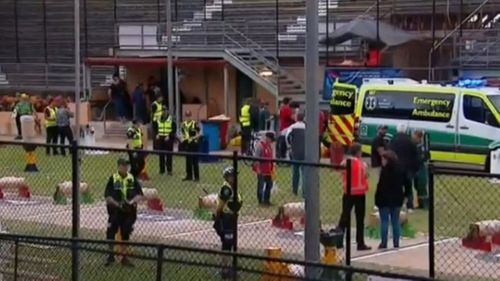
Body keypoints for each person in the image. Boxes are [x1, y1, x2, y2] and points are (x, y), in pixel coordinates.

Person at [104, 158, 144, 267]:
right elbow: (107, 196)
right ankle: (110, 255)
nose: (126, 168)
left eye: (127, 166)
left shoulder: (131, 178)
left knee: (125, 232)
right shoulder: (113, 178)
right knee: (111, 232)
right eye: (123, 165)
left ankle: (124, 257)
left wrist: (131, 202)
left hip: (128, 212)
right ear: (119, 166)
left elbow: (140, 195)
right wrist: (118, 204)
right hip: (116, 211)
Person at [337, 143, 371, 251]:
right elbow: (366, 175)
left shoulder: (345, 162)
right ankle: (360, 242)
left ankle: (338, 240)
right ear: (358, 152)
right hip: (360, 193)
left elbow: (341, 172)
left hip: (348, 193)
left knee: (345, 217)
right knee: (360, 219)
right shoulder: (362, 164)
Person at [213, 166, 242, 279]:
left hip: (231, 218)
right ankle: (225, 270)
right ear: (228, 177)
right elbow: (220, 206)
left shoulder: (231, 187)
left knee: (230, 244)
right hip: (226, 219)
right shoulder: (227, 189)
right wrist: (217, 217)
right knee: (227, 244)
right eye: (233, 176)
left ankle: (228, 267)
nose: (235, 178)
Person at [375, 150, 405, 249]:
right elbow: (407, 183)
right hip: (397, 198)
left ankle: (384, 242)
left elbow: (380, 186)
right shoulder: (400, 170)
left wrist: (377, 199)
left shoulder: (384, 171)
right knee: (395, 221)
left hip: (384, 199)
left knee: (384, 221)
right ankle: (396, 243)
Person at [389, 123, 419, 212]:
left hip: (396, 168)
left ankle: (396, 204)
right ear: (406, 130)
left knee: (396, 187)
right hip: (408, 168)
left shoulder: (393, 140)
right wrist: (415, 169)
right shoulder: (410, 141)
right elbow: (415, 156)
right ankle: (409, 206)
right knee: (408, 188)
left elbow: (390, 155)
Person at [285, 112, 305, 197]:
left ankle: (295, 190)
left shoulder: (292, 127)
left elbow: (287, 137)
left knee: (295, 172)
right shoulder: (306, 127)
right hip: (305, 152)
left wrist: (289, 147)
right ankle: (304, 191)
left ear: (296, 118)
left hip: (295, 151)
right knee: (305, 173)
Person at [254, 132, 275, 205]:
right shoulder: (260, 146)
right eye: (271, 140)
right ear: (267, 138)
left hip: (268, 170)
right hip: (261, 169)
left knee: (269, 185)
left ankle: (267, 200)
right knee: (261, 186)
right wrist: (258, 169)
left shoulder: (269, 146)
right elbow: (256, 158)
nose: (271, 142)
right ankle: (261, 201)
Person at [412, 130, 430, 209]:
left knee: (421, 185)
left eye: (414, 136)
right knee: (417, 185)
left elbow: (425, 157)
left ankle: (425, 204)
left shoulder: (422, 146)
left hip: (421, 167)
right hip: (415, 167)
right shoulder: (414, 145)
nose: (413, 137)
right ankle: (420, 203)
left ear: (418, 137)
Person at [181, 110, 201, 181]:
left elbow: (199, 134)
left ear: (191, 116)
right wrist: (183, 139)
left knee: (195, 161)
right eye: (187, 116)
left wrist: (193, 138)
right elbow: (182, 134)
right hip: (187, 144)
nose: (188, 117)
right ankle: (189, 176)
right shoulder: (183, 125)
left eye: (189, 116)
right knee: (188, 161)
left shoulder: (194, 124)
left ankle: (196, 177)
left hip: (194, 144)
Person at [156, 108, 176, 175]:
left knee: (169, 155)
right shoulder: (158, 118)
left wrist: (169, 136)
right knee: (161, 154)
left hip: (168, 139)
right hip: (161, 138)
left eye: (165, 110)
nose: (163, 112)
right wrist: (157, 134)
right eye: (162, 110)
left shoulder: (171, 119)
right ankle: (162, 170)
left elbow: (174, 129)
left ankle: (169, 170)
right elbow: (156, 127)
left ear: (167, 111)